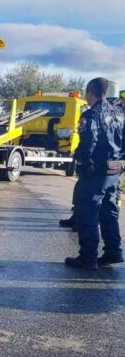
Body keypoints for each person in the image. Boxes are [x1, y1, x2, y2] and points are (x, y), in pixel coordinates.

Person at [65, 78, 125, 270]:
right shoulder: (120, 114)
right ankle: (113, 252)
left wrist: (82, 162)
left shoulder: (91, 115)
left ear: (90, 92)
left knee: (88, 213)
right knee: (109, 211)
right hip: (115, 168)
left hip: (96, 170)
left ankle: (88, 257)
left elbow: (88, 142)